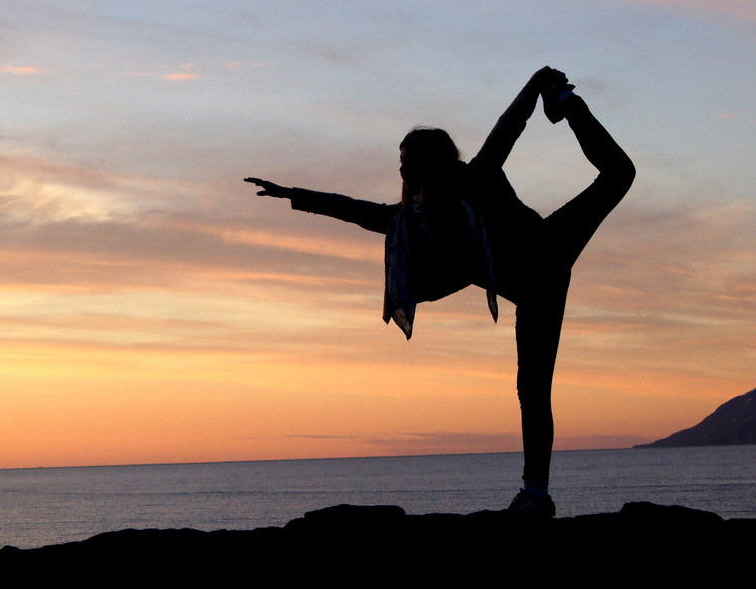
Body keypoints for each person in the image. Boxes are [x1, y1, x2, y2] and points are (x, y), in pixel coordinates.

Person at [246, 67, 635, 516]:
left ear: (432, 161)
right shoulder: (415, 214)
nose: (400, 167)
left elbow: (507, 130)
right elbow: (361, 212)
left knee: (619, 173)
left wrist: (534, 87)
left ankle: (565, 102)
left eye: (408, 159)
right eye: (400, 160)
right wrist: (292, 195)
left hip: (546, 254)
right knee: (531, 390)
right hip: (524, 290)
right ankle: (537, 496)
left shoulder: (477, 177)